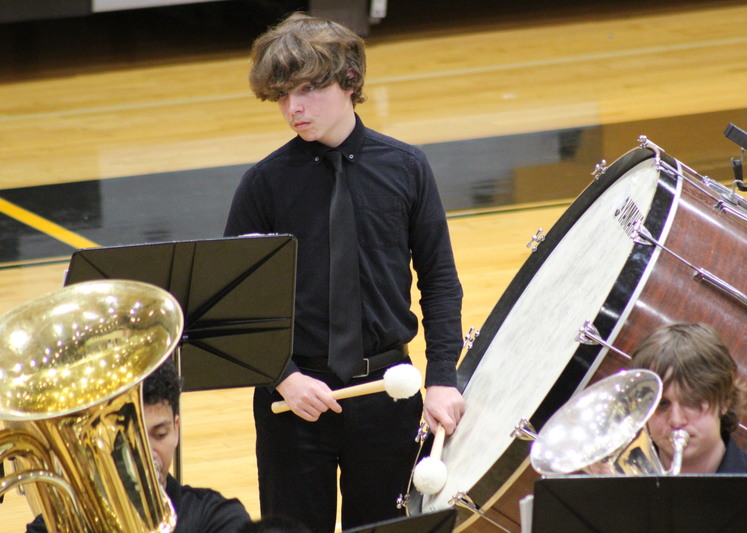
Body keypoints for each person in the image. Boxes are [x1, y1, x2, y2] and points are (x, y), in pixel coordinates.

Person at [224, 12, 465, 533]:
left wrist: (443, 378)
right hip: (294, 403)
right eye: (283, 95)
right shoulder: (262, 186)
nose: (294, 108)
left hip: (387, 396)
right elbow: (235, 307)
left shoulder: (406, 168)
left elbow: (440, 281)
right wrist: (284, 379)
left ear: (350, 81)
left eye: (308, 89)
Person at [26, 359, 252, 533]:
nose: (146, 453)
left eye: (160, 434)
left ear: (176, 430)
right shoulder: (57, 526)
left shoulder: (218, 519)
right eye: (130, 438)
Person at [630, 322, 747, 494]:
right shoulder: (618, 482)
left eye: (692, 401)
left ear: (724, 401)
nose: (676, 420)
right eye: (662, 404)